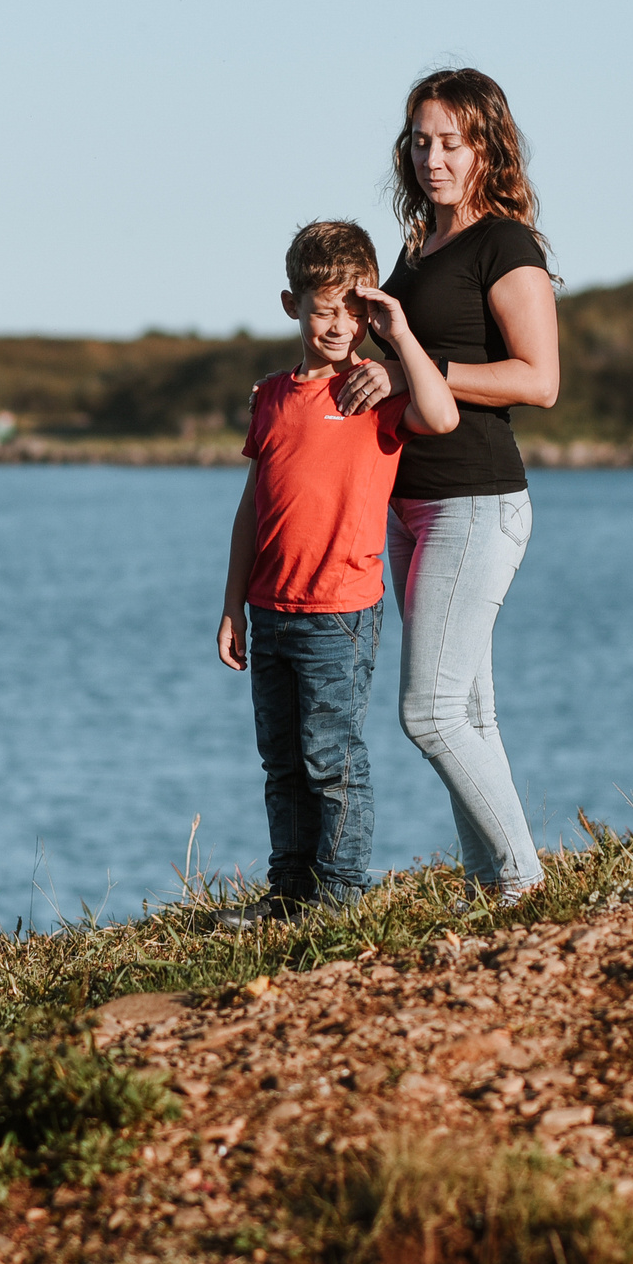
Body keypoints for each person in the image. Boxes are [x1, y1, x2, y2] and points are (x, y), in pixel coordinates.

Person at [333, 69, 562, 905]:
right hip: (414, 503)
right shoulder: (417, 246)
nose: (434, 158)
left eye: (452, 142)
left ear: (486, 146)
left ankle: (526, 883)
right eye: (421, 141)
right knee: (469, 712)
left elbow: (540, 381)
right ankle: (493, 887)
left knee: (428, 714)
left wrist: (418, 368)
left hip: (476, 498)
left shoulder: (505, 244)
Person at [213, 220, 459, 926]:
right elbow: (250, 510)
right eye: (324, 308)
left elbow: (441, 415)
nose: (339, 324)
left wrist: (400, 339)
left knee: (332, 759)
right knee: (282, 761)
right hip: (270, 608)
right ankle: (288, 892)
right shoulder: (271, 396)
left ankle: (341, 896)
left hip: (340, 614)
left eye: (354, 308)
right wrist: (232, 604)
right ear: (292, 305)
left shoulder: (374, 389)